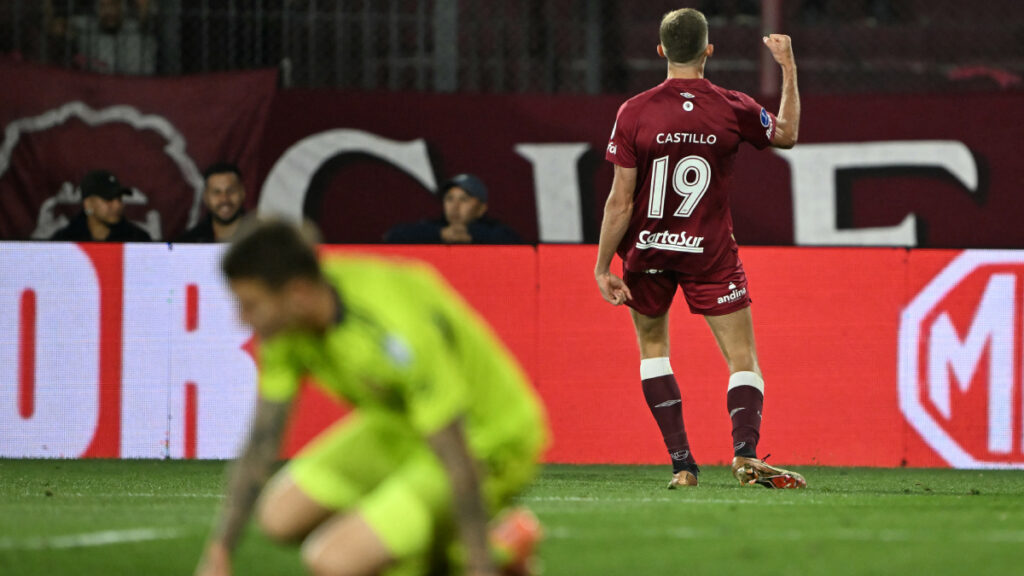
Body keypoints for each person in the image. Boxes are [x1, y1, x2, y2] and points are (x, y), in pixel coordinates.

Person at [195, 220, 548, 576]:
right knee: (278, 518)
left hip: (485, 439)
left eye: (250, 305)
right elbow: (261, 443)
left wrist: (479, 563)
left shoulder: (393, 327)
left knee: (333, 562)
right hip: (401, 427)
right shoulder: (285, 325)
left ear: (298, 295)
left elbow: (456, 456)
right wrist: (220, 552)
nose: (242, 320)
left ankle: (497, 546)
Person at [595, 8, 806, 490]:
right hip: (708, 251)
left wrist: (602, 263)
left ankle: (682, 465)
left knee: (653, 349)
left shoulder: (634, 111)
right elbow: (787, 135)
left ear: (661, 50)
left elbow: (620, 200)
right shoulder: (732, 106)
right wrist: (789, 68)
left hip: (647, 249)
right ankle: (745, 453)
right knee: (742, 358)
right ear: (709, 50)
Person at [385, 174, 522, 244]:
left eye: (464, 199)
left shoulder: (494, 231)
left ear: (481, 209)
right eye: (449, 199)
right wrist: (441, 234)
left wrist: (472, 234)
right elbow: (393, 236)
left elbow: (516, 244)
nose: (455, 206)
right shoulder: (434, 228)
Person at [50, 169, 152, 242]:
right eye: (108, 199)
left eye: (119, 198)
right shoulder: (63, 241)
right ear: (88, 204)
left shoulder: (138, 239)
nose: (117, 205)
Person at [72, 0, 157, 75]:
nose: (108, 11)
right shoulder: (86, 28)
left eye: (113, 4)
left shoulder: (137, 32)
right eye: (103, 6)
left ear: (123, 7)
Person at [176, 163, 247, 243]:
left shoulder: (260, 239)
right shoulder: (189, 243)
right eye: (216, 192)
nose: (224, 199)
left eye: (231, 191)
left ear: (242, 193)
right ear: (205, 197)